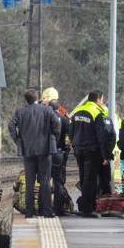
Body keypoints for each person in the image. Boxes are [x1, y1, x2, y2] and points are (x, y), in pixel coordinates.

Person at [9, 89, 61, 218]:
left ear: (26, 99)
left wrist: (18, 140)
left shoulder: (20, 112)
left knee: (29, 182)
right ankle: (47, 211)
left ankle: (29, 212)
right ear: (37, 98)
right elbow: (57, 124)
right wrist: (53, 137)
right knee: (45, 181)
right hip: (45, 150)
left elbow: (11, 125)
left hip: (28, 150)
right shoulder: (47, 110)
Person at [70, 90, 112, 217]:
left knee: (83, 177)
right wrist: (105, 155)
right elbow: (102, 136)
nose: (102, 102)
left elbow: (71, 131)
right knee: (91, 179)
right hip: (92, 151)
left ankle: (84, 205)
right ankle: (88, 208)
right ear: (99, 99)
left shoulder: (78, 111)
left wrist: (74, 144)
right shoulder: (97, 113)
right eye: (102, 99)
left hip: (78, 149)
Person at [41, 87, 71, 216]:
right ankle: (58, 209)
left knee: (44, 180)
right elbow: (68, 139)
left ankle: (44, 208)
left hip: (45, 153)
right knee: (58, 181)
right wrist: (65, 153)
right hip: (59, 153)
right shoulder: (64, 118)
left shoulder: (41, 117)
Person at [97, 104, 117, 196]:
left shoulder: (97, 119)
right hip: (106, 154)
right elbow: (112, 138)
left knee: (98, 180)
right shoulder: (108, 119)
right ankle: (105, 200)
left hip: (96, 154)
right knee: (105, 180)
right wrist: (107, 155)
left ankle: (99, 202)